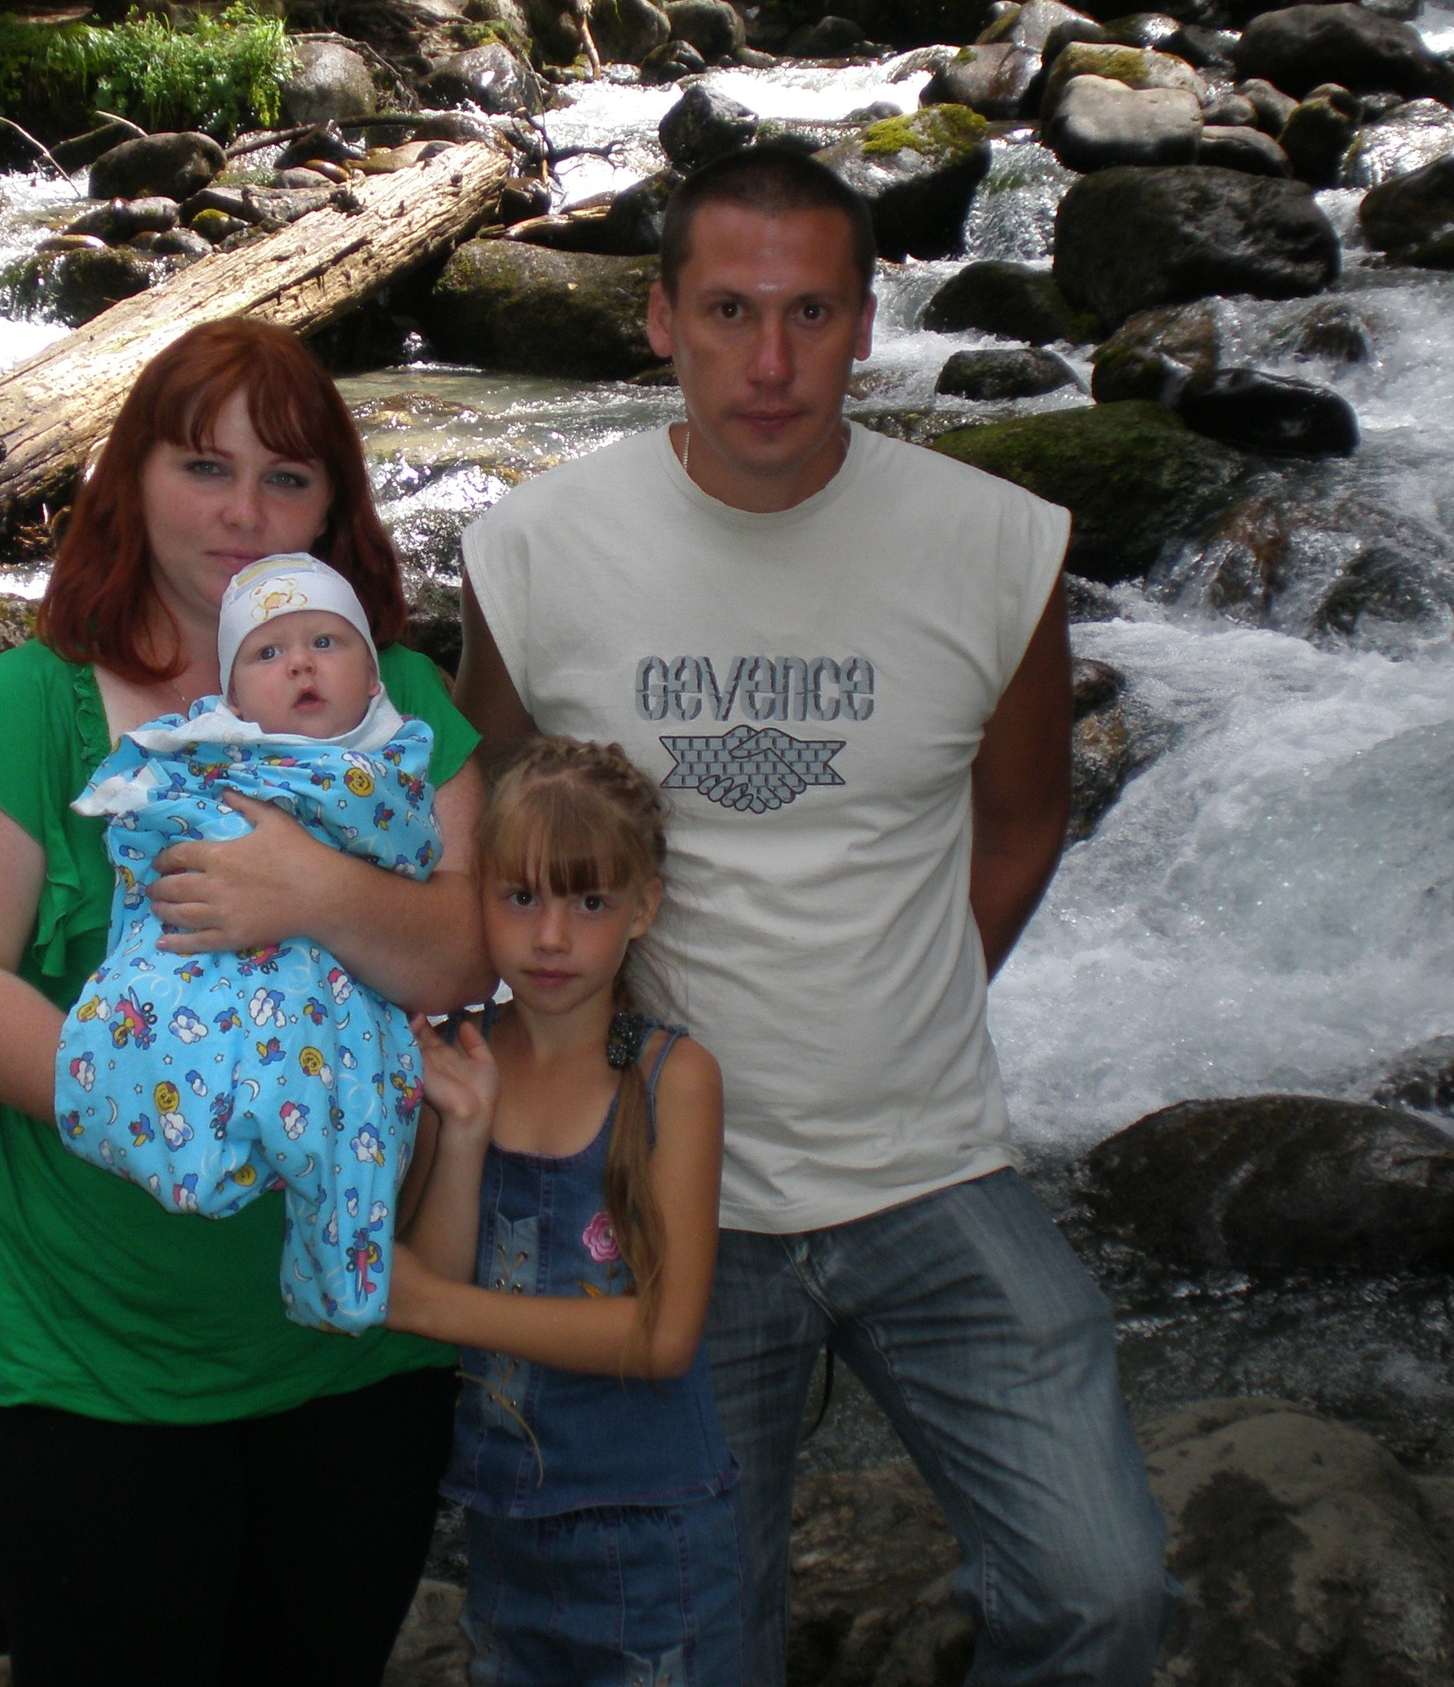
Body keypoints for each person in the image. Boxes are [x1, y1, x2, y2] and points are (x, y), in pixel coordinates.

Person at [451, 146, 1174, 1686]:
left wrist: (913, 1007)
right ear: (661, 318)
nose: (769, 362)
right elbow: (487, 838)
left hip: (927, 1169)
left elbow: (1022, 816)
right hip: (660, 1190)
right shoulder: (537, 555)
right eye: (729, 311)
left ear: (867, 322)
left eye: (810, 313)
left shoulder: (997, 546)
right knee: (686, 1648)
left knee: (1102, 1589)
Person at [0, 318, 496, 1687]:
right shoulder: (24, 708)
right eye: (203, 468)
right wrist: (169, 1116)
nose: (242, 513)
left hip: (360, 1345)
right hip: (97, 1365)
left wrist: (311, 890)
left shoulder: (393, 697)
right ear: (131, 479)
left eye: (287, 477)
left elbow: (467, 954)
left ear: (333, 506)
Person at [386, 736, 740, 1687]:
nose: (550, 937)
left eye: (589, 903)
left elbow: (663, 1336)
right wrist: (464, 1133)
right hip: (501, 1526)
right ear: (480, 896)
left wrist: (438, 1307)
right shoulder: (461, 1057)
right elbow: (436, 1268)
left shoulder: (672, 1079)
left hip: (655, 1537)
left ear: (643, 908)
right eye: (521, 898)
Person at [53, 551, 444, 1332]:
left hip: (323, 982)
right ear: (231, 698)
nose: (300, 662)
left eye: (327, 642)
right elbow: (148, 828)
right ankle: (177, 1137)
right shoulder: (200, 749)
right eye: (268, 652)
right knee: (133, 1012)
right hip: (198, 951)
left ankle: (338, 1283)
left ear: (374, 682)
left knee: (355, 1100)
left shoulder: (390, 762)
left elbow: (405, 842)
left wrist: (309, 883)